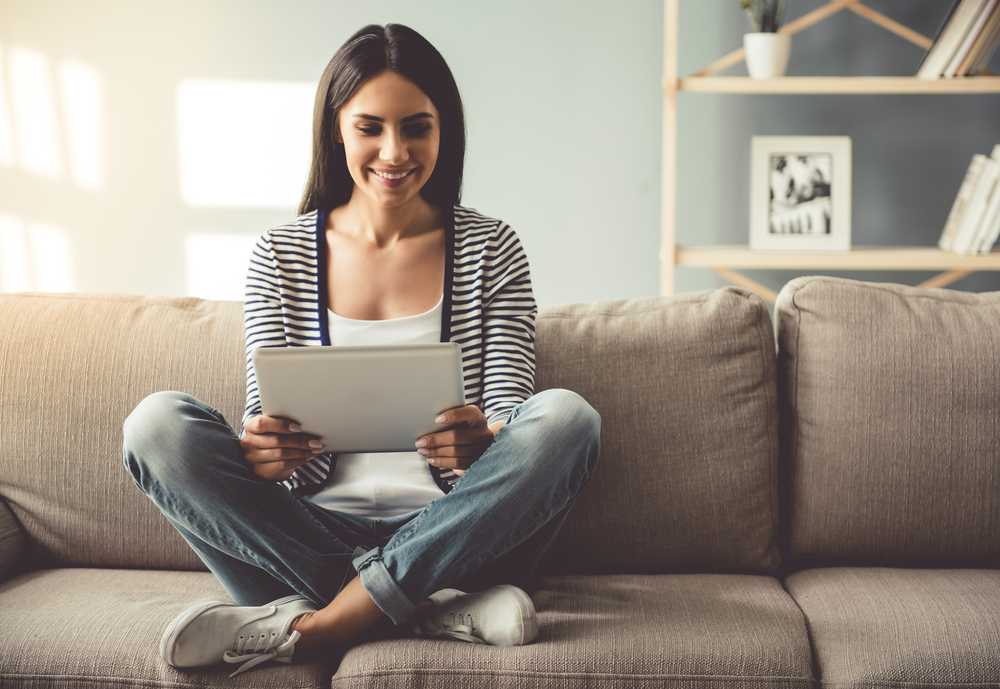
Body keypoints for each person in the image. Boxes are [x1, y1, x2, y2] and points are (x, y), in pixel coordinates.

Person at [122, 23, 600, 677]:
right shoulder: (279, 256)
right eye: (370, 126)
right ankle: (434, 609)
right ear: (335, 131)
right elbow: (272, 440)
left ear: (444, 131)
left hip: (458, 535)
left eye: (417, 127)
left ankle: (318, 624)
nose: (395, 150)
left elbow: (513, 413)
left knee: (568, 418)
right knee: (155, 425)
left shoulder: (493, 249)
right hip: (306, 536)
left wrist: (484, 445)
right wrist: (266, 453)